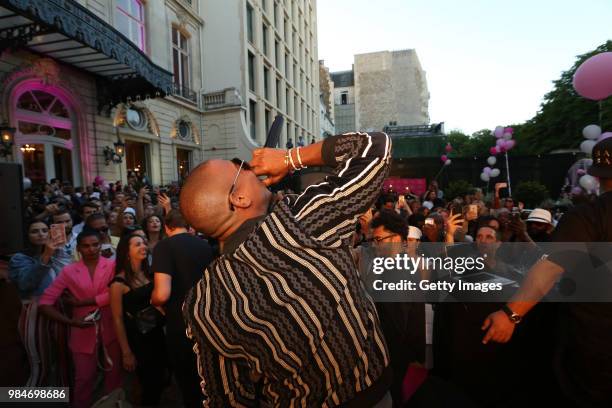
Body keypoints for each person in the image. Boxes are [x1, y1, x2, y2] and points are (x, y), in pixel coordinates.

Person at [179, 132, 393, 406]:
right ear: (240, 198)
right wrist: (290, 158)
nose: (250, 166)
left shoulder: (201, 303)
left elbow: (225, 398)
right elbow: (374, 148)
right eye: (240, 166)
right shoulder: (299, 222)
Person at [482, 138, 612, 406]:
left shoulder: (589, 216)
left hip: (596, 348)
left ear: (598, 177)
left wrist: (510, 314)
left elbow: (550, 269)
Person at [38, 230, 122, 408]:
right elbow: (45, 303)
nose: (91, 249)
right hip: (82, 329)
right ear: (78, 248)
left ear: (101, 245)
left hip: (111, 327)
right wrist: (71, 322)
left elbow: (119, 292)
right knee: (83, 378)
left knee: (114, 376)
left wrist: (83, 302)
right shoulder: (69, 271)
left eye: (95, 244)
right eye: (86, 245)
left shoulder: (113, 265)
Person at [150, 210, 214, 408]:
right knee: (208, 381)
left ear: (167, 227)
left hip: (180, 324)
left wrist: (153, 302)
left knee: (188, 385)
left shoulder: (164, 247)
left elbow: (162, 294)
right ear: (189, 225)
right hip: (208, 320)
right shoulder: (206, 246)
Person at [368, 210, 426, 404]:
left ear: (395, 239)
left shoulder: (397, 272)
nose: (374, 245)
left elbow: (395, 327)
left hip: (393, 360)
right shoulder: (402, 265)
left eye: (379, 239)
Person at [110, 234, 168, 406]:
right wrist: (126, 352)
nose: (144, 246)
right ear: (126, 252)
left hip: (158, 334)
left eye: (143, 243)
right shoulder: (118, 283)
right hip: (139, 340)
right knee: (149, 384)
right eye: (137, 244)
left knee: (161, 379)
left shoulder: (150, 273)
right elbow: (118, 319)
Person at [8, 220, 69, 387]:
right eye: (35, 231)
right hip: (34, 314)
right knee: (39, 363)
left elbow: (67, 278)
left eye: (44, 230)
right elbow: (26, 283)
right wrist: (46, 256)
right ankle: (30, 400)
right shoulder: (19, 258)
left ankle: (61, 401)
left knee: (62, 361)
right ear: (26, 236)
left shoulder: (58, 254)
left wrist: (58, 252)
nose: (41, 234)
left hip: (59, 311)